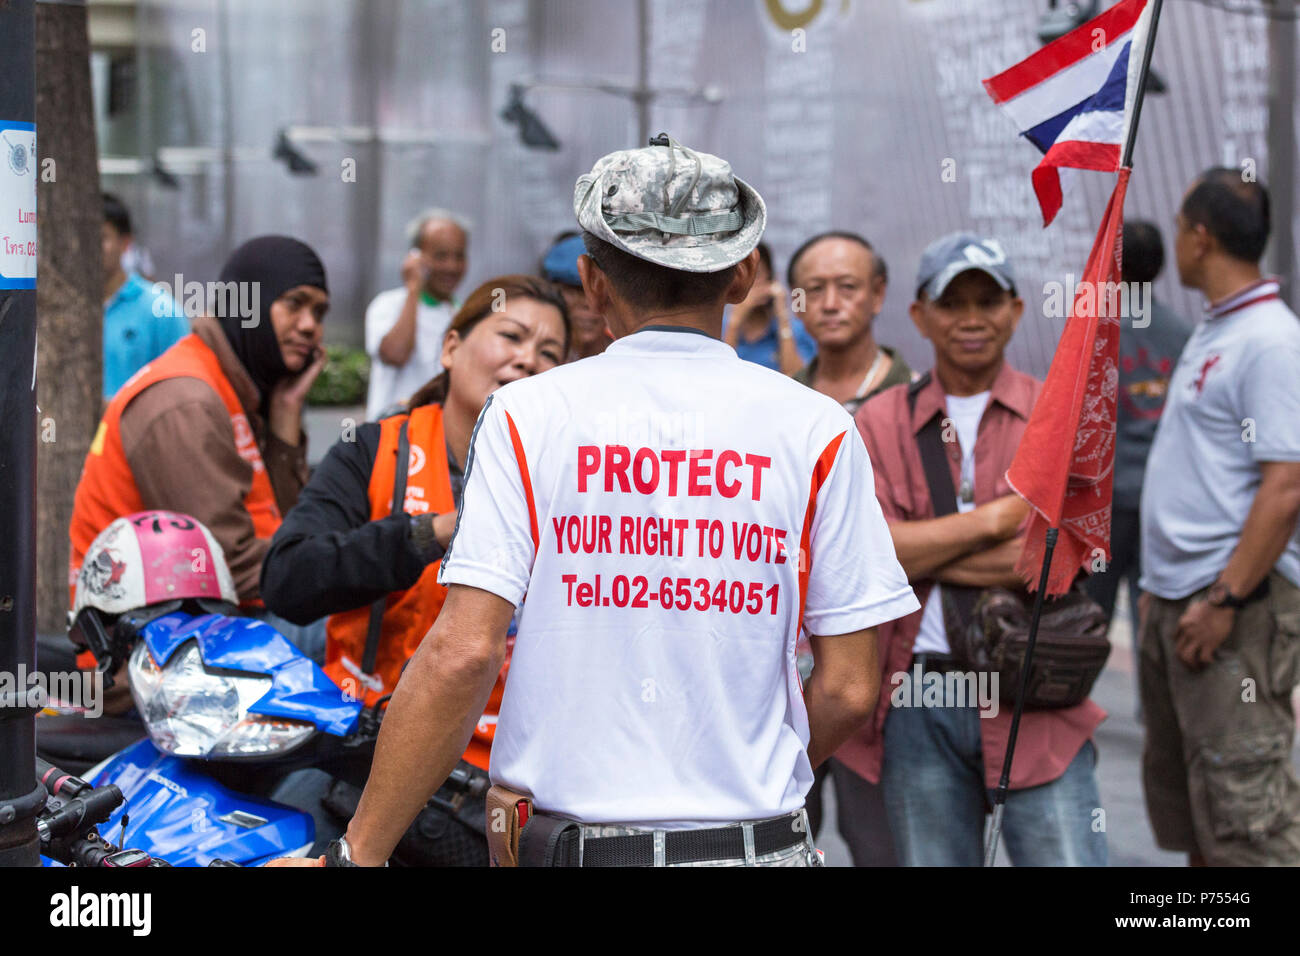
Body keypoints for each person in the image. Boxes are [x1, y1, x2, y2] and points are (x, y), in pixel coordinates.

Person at [310, 137, 918, 868]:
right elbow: (851, 689)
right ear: (742, 275)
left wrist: (357, 855)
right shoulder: (820, 428)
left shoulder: (528, 415)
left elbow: (463, 651)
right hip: (763, 848)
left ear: (593, 286)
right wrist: (745, 779)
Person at [259, 275, 569, 864]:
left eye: (550, 354)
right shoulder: (374, 451)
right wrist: (437, 531)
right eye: (512, 335)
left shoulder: (572, 486)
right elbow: (288, 579)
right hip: (362, 761)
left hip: (503, 791)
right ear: (450, 347)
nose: (527, 358)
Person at [845, 232, 1108, 866]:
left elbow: (1061, 558)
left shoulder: (1060, 410)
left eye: (987, 301)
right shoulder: (877, 420)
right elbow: (868, 556)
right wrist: (996, 522)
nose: (971, 319)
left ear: (1015, 311)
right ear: (919, 316)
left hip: (1035, 688)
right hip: (918, 693)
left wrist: (918, 550)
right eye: (952, 301)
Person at [1139, 169, 1300, 866]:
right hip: (1185, 599)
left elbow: (1287, 486)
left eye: (1179, 225)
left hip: (1233, 607)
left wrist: (1227, 597)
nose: (1175, 239)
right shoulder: (1222, 327)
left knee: (1248, 826)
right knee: (1203, 816)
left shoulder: (1269, 340)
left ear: (1199, 238)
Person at [70, 235, 329, 610]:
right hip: (145, 641)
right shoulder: (187, 401)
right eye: (295, 304)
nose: (310, 326)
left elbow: (287, 527)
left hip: (213, 614)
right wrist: (341, 570)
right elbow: (227, 566)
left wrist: (286, 413)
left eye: (320, 313)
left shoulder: (243, 385)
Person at [1084, 220, 1191, 719]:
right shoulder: (1184, 335)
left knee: (1090, 612)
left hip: (1106, 506)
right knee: (1152, 608)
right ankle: (1159, 708)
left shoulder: (1095, 333)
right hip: (1161, 503)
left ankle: (1073, 696)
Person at [788, 231, 914, 414]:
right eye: (816, 289)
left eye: (847, 286)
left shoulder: (915, 396)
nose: (830, 304)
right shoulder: (788, 398)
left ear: (877, 294)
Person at [365, 209, 469, 420]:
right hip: (390, 436)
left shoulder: (465, 312)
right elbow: (395, 354)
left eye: (459, 256)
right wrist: (413, 288)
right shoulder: (387, 304)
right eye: (441, 256)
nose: (452, 266)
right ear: (415, 256)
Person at [101, 193, 188, 401]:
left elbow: (182, 388)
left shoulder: (161, 311)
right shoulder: (55, 312)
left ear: (125, 243)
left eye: (101, 238)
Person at [722, 241, 816, 374]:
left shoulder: (794, 330)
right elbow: (720, 374)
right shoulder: (718, 329)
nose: (746, 283)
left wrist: (783, 318)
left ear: (771, 278)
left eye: (756, 274)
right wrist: (735, 322)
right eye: (738, 274)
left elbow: (797, 379)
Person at [541, 231, 610, 361]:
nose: (588, 303)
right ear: (552, 292)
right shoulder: (530, 357)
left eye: (598, 289)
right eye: (575, 291)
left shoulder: (627, 354)